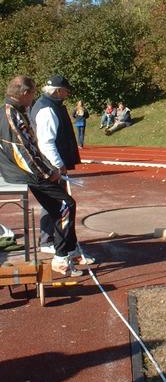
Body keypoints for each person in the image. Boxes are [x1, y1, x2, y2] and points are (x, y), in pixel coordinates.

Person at [0, 75, 83, 276]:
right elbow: (23, 151)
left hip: (22, 170)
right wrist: (47, 172)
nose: (33, 98)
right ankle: (61, 257)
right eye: (33, 94)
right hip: (24, 173)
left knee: (60, 206)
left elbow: (29, 147)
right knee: (65, 206)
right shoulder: (11, 114)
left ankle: (69, 250)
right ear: (25, 93)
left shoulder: (11, 110)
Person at [31, 75, 94, 265]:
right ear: (58, 91)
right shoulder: (48, 109)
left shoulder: (49, 105)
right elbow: (46, 142)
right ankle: (61, 248)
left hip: (49, 166)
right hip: (50, 167)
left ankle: (61, 245)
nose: (68, 94)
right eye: (66, 91)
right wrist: (59, 165)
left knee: (56, 205)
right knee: (62, 206)